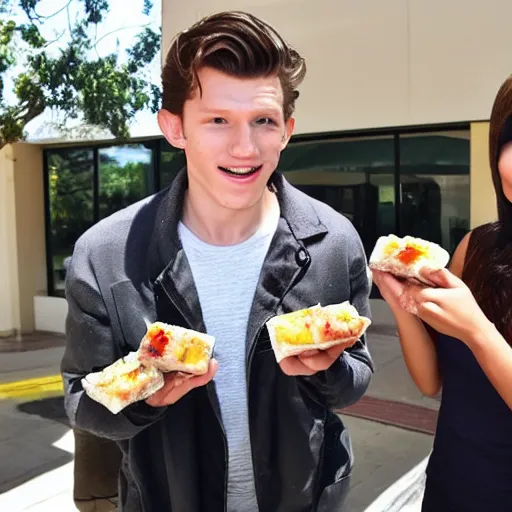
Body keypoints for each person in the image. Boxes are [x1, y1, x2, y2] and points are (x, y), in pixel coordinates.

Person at [61, 11, 373, 512]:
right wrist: (146, 398)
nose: (245, 147)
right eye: (218, 120)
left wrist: (328, 370)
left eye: (263, 121)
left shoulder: (332, 241)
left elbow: (356, 375)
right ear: (174, 127)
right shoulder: (106, 254)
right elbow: (83, 401)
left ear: (287, 130)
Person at [372, 74, 512, 511]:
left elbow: (476, 337)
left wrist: (479, 332)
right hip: (451, 486)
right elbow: (432, 382)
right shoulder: (477, 248)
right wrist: (404, 305)